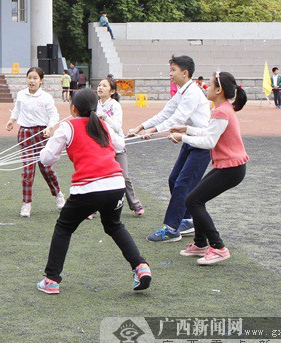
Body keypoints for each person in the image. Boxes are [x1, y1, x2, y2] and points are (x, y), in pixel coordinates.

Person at [37, 88, 151, 294]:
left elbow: (46, 159)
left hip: (87, 188)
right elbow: (119, 145)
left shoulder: (67, 127)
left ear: (73, 108)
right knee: (114, 225)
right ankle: (140, 266)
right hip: (116, 186)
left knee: (64, 228)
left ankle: (51, 279)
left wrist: (54, 143)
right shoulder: (102, 125)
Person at [168, 72, 249, 265]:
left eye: (210, 85)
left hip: (231, 169)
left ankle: (218, 247)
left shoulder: (222, 111)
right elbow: (209, 132)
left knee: (193, 200)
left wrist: (183, 137)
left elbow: (209, 141)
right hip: (230, 167)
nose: (206, 88)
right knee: (193, 199)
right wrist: (187, 129)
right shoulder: (222, 108)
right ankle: (200, 244)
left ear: (219, 90)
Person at [128, 55, 211, 243]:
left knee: (182, 184)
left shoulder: (192, 93)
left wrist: (152, 131)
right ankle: (187, 220)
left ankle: (172, 229)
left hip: (202, 144)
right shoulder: (182, 91)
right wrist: (140, 127)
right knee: (174, 180)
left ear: (185, 73)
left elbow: (177, 119)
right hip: (189, 141)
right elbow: (165, 113)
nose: (170, 74)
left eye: (173, 70)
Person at [6, 67, 65, 218]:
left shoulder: (46, 97)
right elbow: (16, 110)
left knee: (46, 169)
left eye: (35, 78)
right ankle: (26, 203)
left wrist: (49, 127)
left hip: (41, 135)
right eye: (29, 78)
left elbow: (54, 115)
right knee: (27, 171)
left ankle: (58, 194)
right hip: (25, 134)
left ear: (41, 81)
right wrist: (12, 120)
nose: (31, 81)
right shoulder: (21, 94)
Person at [96, 76, 144, 216]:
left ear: (112, 91)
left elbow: (118, 127)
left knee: (124, 177)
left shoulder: (115, 105)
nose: (100, 87)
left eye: (104, 86)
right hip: (100, 148)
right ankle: (92, 208)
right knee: (97, 177)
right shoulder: (94, 105)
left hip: (117, 146)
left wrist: (105, 117)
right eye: (99, 85)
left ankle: (135, 204)